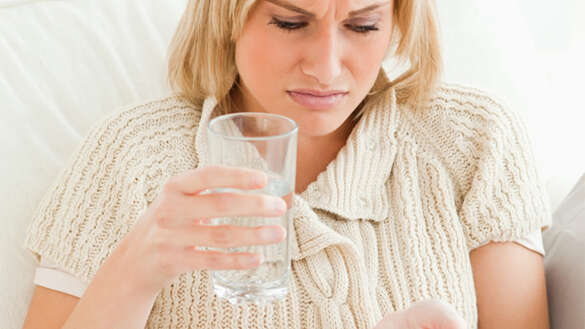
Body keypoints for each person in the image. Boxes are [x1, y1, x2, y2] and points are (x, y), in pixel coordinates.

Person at [21, 0, 551, 328]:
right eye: (291, 21)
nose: (325, 67)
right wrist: (135, 269)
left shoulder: (473, 141)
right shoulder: (132, 154)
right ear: (228, 13)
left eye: (363, 25)